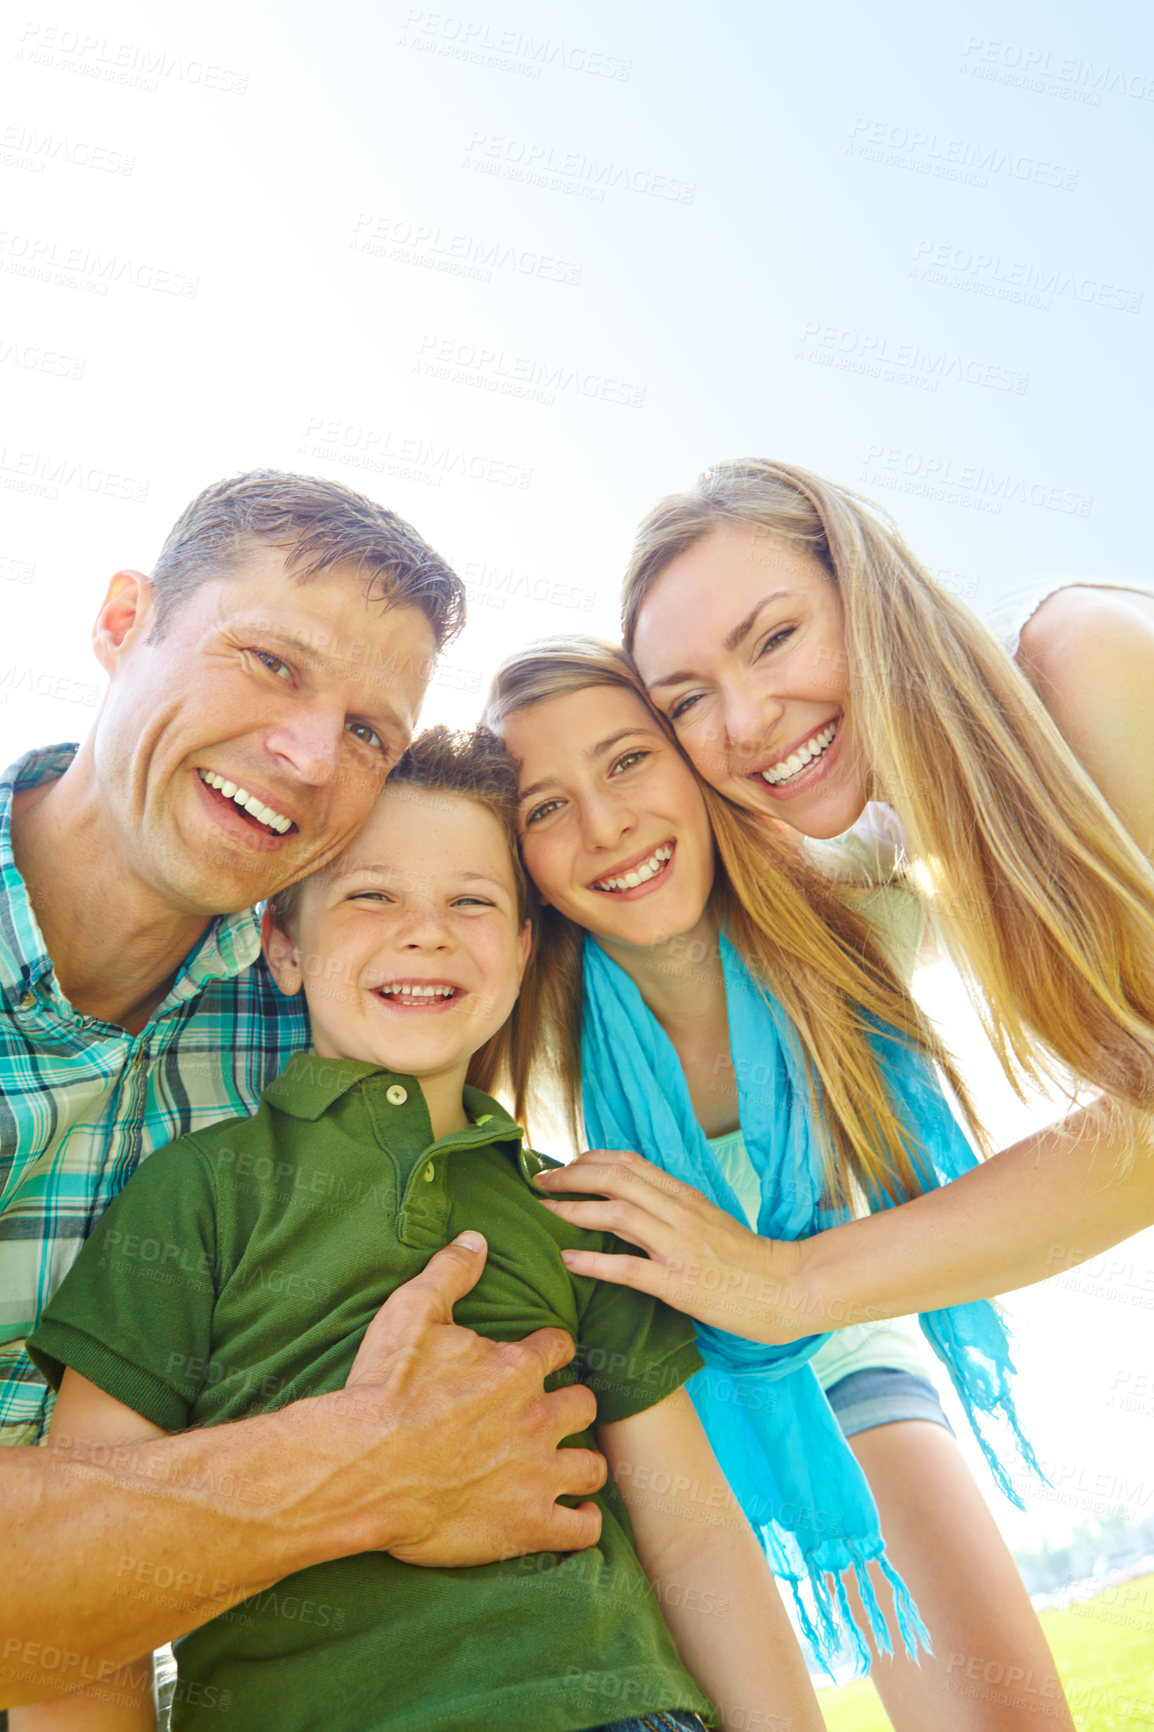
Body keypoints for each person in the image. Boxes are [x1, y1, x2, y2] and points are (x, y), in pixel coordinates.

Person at [16, 728, 823, 1732]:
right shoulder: (192, 1196)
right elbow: (92, 1561)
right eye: (371, 895)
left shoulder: (572, 1211)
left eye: (471, 902)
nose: (426, 932)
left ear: (523, 953)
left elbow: (696, 1532)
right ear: (282, 946)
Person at [0, 473, 607, 1703]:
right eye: (270, 662)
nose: (309, 755)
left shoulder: (327, 1020)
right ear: (124, 622)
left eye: (370, 732)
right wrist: (365, 1461)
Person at [485, 640, 1075, 1730]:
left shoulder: (842, 904)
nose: (605, 825)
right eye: (544, 808)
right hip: (649, 1397)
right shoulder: (528, 1010)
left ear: (695, 766)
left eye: (627, 762)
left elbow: (994, 775)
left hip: (841, 1332)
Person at [532, 459, 1154, 1341]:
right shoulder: (912, 841)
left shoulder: (1081, 661)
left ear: (866, 591)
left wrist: (796, 1284)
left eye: (775, 638)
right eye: (690, 701)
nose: (744, 723)